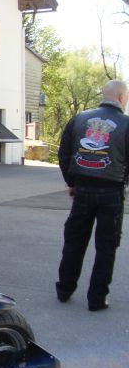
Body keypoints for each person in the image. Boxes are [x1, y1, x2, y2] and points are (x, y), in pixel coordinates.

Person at [56, 79, 129, 311]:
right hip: (111, 193)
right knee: (106, 247)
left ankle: (64, 290)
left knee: (74, 241)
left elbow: (64, 153)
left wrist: (72, 182)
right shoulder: (126, 124)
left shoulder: (79, 119)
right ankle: (97, 299)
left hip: (82, 191)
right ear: (121, 97)